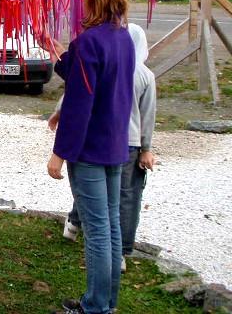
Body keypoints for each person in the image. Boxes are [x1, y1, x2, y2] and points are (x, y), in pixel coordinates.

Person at [46, 0, 136, 314]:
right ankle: (106, 302)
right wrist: (59, 55)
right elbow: (91, 77)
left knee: (97, 230)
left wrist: (59, 153)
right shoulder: (123, 39)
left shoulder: (89, 42)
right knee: (109, 225)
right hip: (115, 145)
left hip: (89, 150)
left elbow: (80, 102)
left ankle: (96, 306)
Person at [50, 23, 157, 274]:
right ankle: (119, 253)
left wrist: (59, 118)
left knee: (93, 196)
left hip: (98, 140)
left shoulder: (106, 60)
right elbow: (148, 113)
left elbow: (79, 92)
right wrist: (146, 147)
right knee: (123, 199)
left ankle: (75, 225)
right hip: (127, 142)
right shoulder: (144, 74)